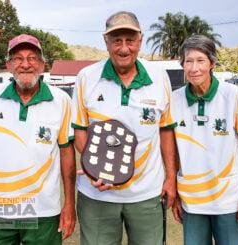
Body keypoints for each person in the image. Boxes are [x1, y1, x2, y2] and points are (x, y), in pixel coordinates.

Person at [71, 11, 178, 245]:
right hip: (97, 194)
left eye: (130, 40)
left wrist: (171, 177)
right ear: (105, 42)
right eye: (116, 40)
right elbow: (79, 130)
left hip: (147, 194)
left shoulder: (159, 77)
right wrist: (98, 170)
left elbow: (166, 131)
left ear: (140, 40)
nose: (123, 48)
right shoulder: (86, 77)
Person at [0, 34, 76, 244]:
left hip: (43, 210)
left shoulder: (61, 100)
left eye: (33, 58)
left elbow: (66, 152)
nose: (25, 64)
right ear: (8, 65)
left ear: (43, 64)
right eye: (17, 58)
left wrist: (69, 203)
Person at [171, 35, 238, 245]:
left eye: (200, 60)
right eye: (188, 61)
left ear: (212, 63)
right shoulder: (174, 100)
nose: (194, 68)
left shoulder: (233, 95)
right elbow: (173, 150)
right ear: (182, 65)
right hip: (192, 202)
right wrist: (175, 192)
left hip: (230, 201)